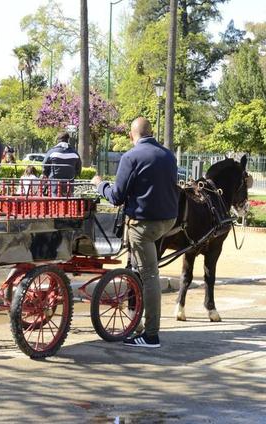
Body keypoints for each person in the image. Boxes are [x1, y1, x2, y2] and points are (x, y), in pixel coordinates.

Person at [91, 117, 179, 348]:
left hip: (144, 225)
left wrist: (100, 184)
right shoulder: (169, 155)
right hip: (168, 221)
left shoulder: (131, 156)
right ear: (151, 132)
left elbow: (116, 197)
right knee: (141, 269)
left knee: (150, 276)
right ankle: (136, 319)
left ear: (132, 134)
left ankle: (151, 335)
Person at [42, 132, 82, 196]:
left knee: (55, 202)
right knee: (69, 201)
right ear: (68, 140)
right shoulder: (75, 153)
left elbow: (44, 166)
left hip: (55, 183)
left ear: (58, 140)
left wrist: (47, 175)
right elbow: (78, 169)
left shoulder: (52, 152)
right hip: (70, 183)